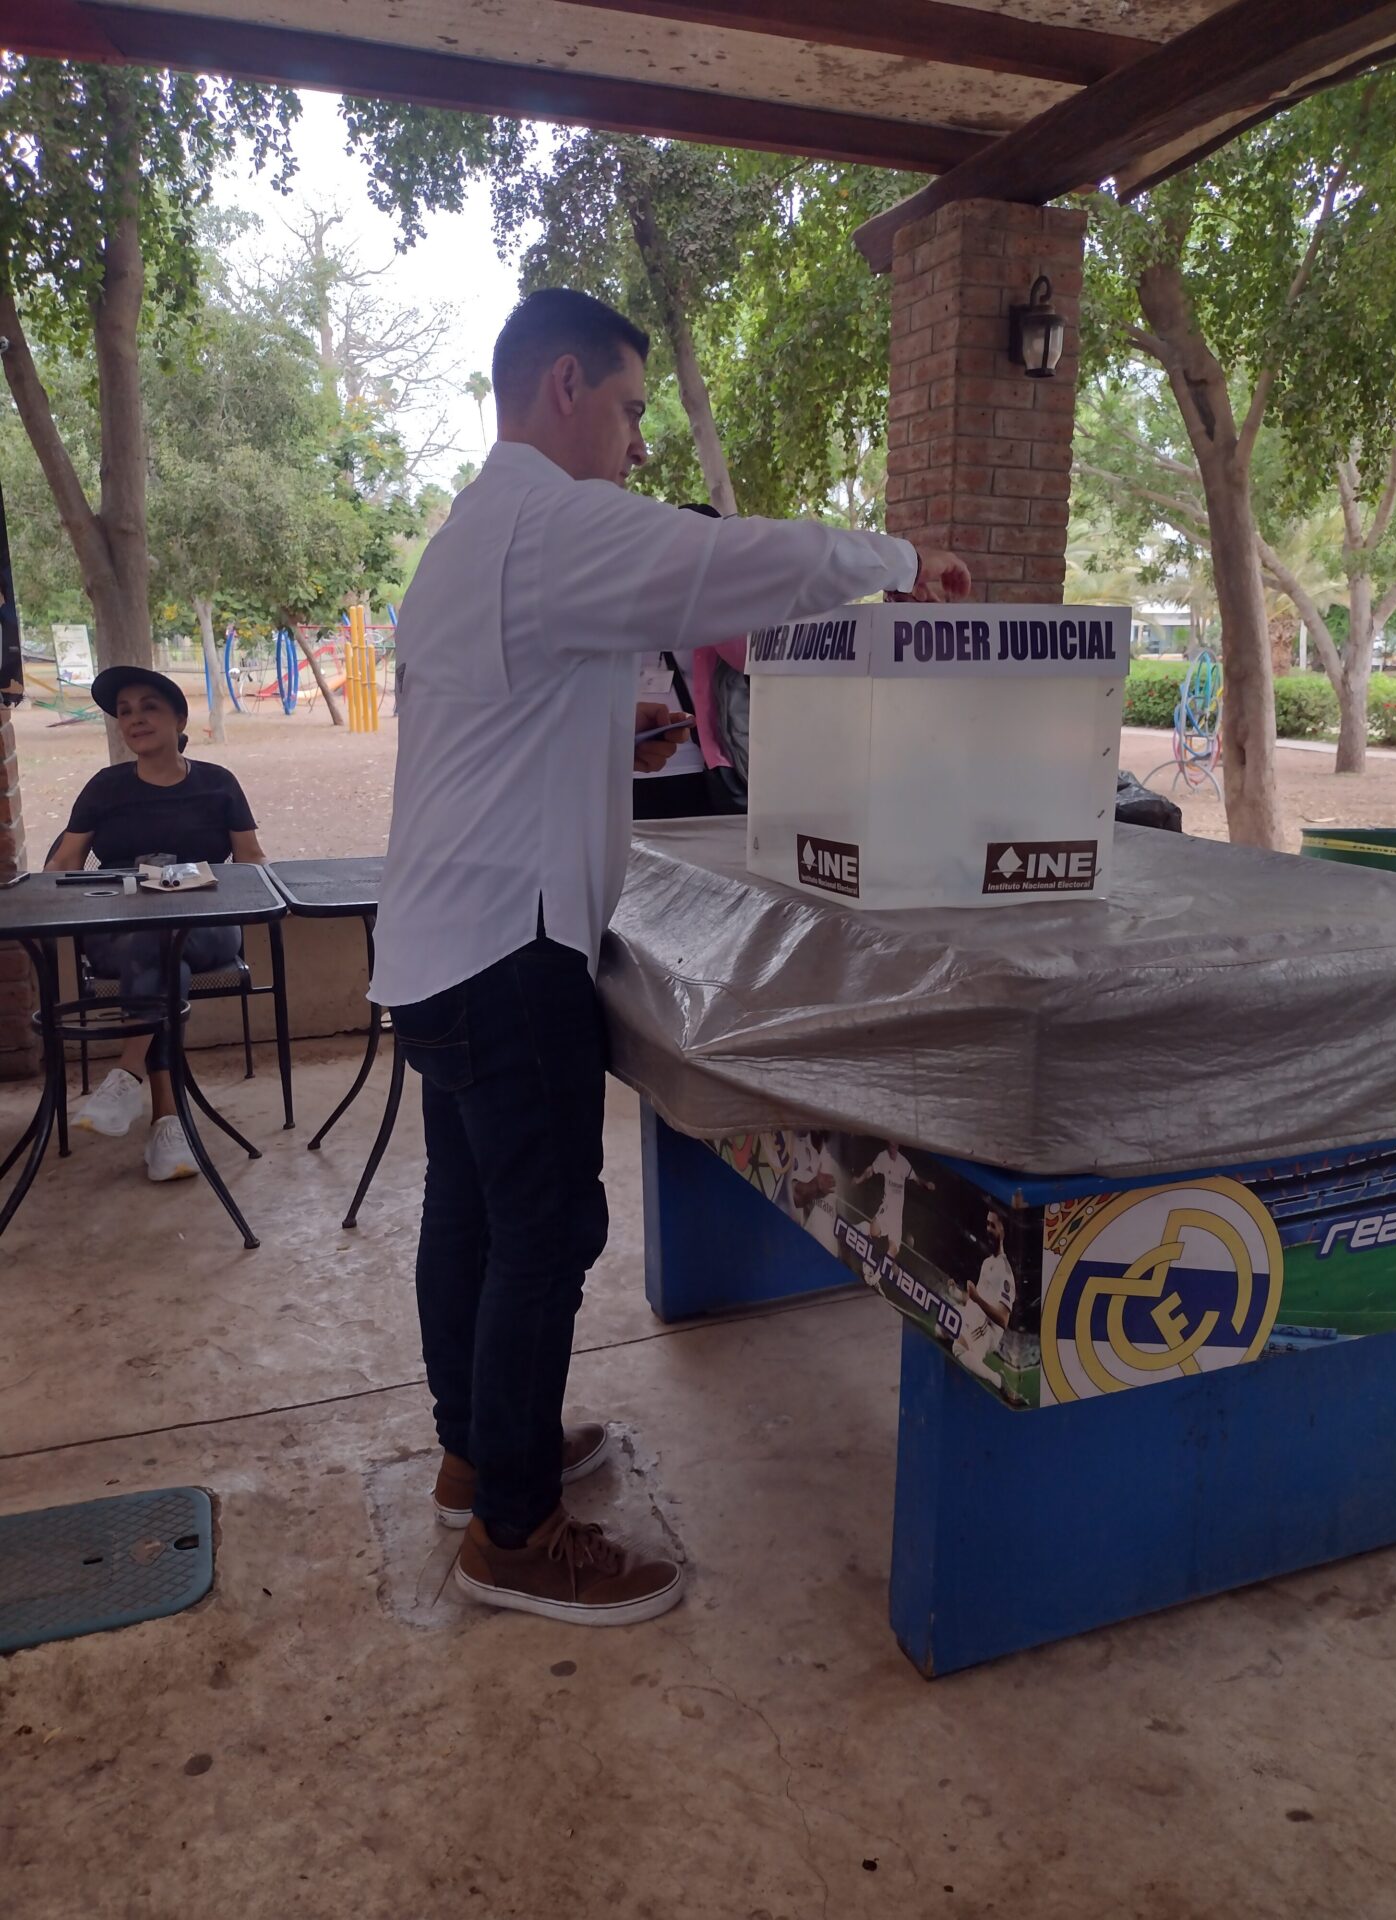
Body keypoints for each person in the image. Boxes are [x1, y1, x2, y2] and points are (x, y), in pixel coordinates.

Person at [371, 285, 971, 1628]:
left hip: (437, 941)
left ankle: (479, 1457)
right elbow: (726, 563)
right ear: (565, 385)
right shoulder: (548, 521)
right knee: (545, 1232)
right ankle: (516, 1534)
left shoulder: (470, 536)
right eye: (632, 408)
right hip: (508, 948)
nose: (640, 440)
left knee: (471, 1215)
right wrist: (894, 555)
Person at [45, 667, 267, 1181]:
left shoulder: (218, 784)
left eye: (149, 707)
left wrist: (235, 887)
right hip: (121, 931)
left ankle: (128, 1074)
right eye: (125, 711)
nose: (135, 719)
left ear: (179, 720)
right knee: (159, 950)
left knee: (164, 937)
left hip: (206, 927)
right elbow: (64, 864)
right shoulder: (105, 788)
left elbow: (252, 859)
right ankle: (167, 1122)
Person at [632, 501, 748, 820]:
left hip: (701, 763)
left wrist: (710, 596)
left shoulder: (724, 601)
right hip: (638, 761)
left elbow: (744, 658)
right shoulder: (637, 597)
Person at [953, 1208, 1017, 1381]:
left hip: (987, 1328)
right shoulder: (987, 1262)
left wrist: (977, 1299)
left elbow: (1003, 1320)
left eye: (993, 1226)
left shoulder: (1005, 1273)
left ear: (1003, 1230)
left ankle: (998, 1380)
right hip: (975, 1315)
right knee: (942, 1326)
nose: (988, 1229)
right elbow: (975, 1299)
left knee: (958, 1348)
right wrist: (957, 1293)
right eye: (987, 1224)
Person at [861, 1141, 936, 1281]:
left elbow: (916, 1179)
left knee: (894, 1249)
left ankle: (875, 1278)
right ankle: (867, 1262)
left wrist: (926, 1184)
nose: (893, 1148)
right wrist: (860, 1178)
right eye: (890, 1145)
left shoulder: (904, 1163)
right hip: (886, 1207)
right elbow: (871, 1170)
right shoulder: (882, 1157)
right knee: (872, 1230)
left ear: (898, 1146)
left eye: (895, 1145)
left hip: (897, 1217)